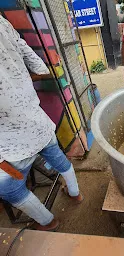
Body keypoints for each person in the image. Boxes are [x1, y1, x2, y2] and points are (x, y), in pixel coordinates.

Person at [0, 16, 83, 231]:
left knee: (10, 191)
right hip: (38, 123)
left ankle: (49, 221)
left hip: (9, 142)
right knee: (60, 161)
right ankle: (75, 194)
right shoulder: (2, 22)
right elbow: (37, 64)